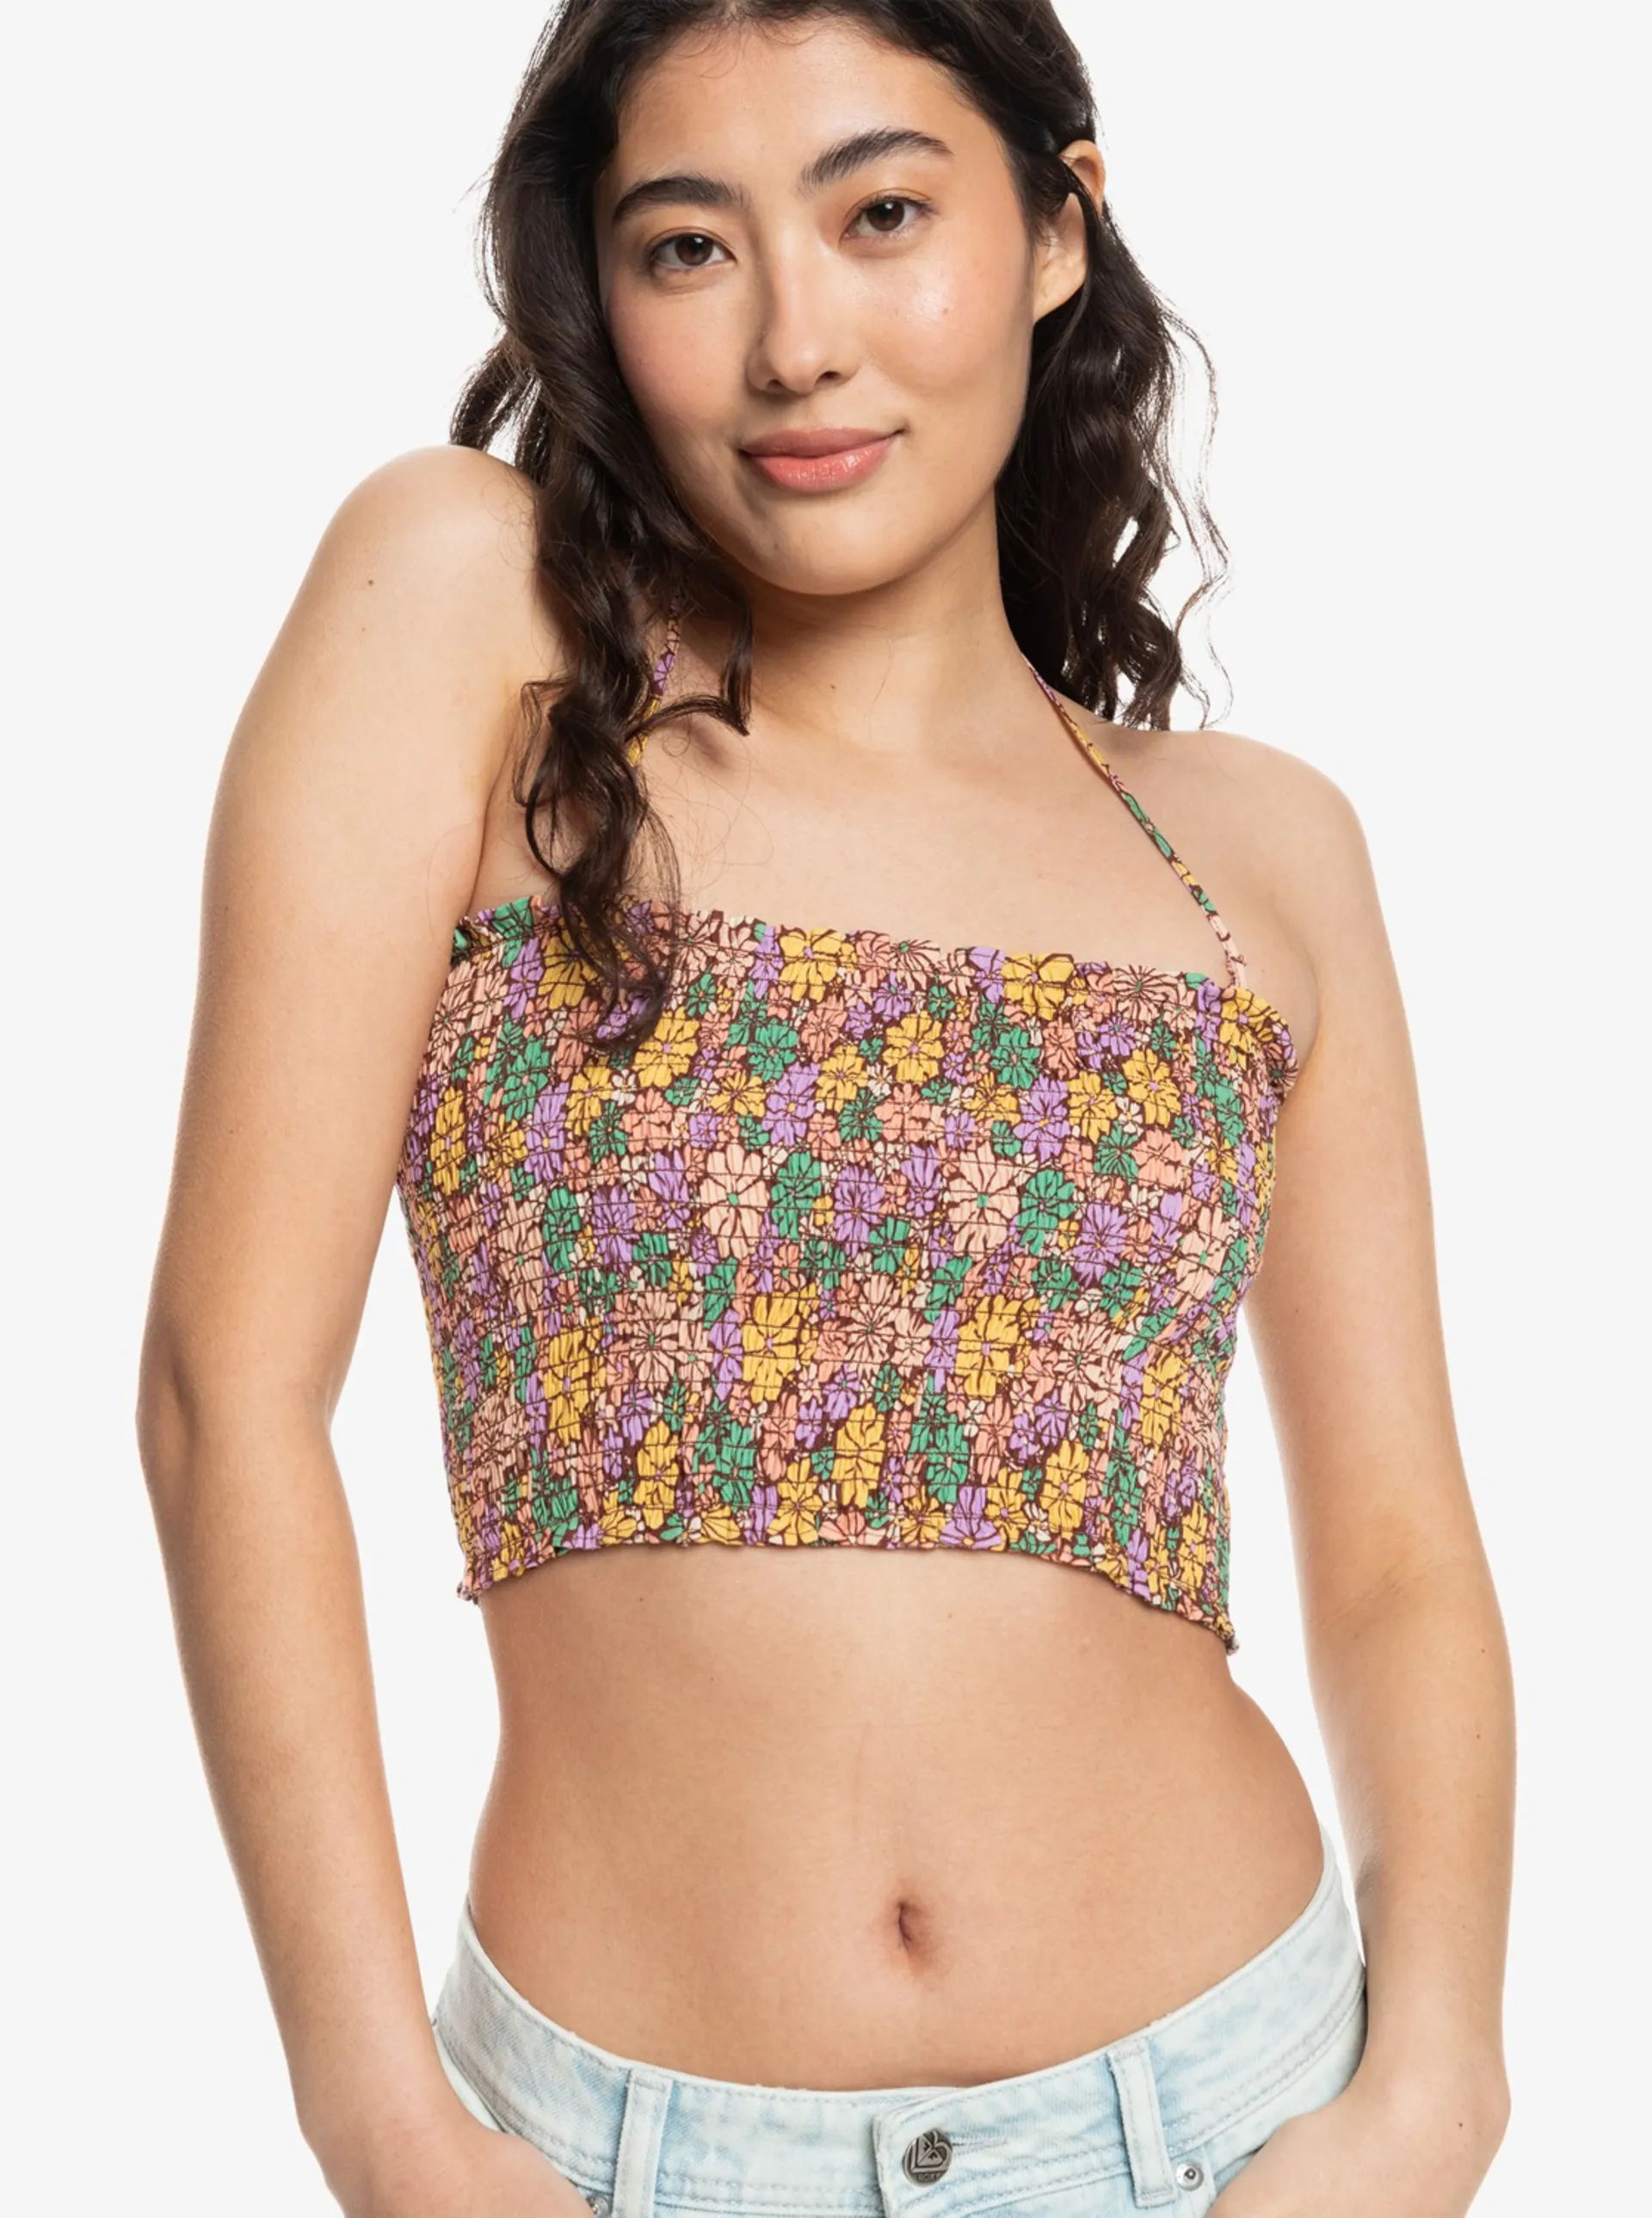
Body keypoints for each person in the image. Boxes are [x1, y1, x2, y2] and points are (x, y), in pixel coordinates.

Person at [136, 2, 1515, 2214]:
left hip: (1227, 2117)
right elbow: (227, 1392)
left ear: (1057, 228)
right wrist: (386, 2128)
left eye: (882, 213)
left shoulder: (1251, 848)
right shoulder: (471, 621)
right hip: (617, 2155)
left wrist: (1435, 2081)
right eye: (690, 247)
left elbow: (1398, 1553)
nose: (796, 340)